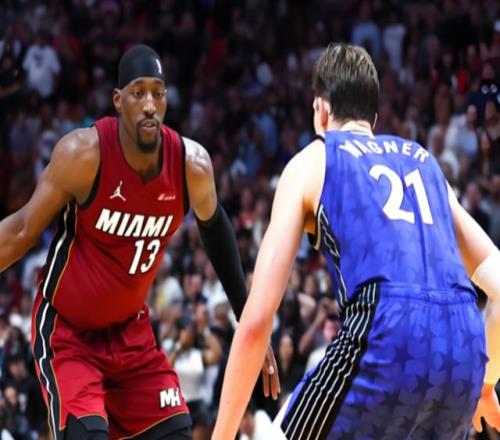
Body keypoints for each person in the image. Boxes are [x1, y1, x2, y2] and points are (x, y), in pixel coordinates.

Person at [213, 43, 500, 439]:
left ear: (321, 110)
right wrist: (484, 381)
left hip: (385, 332)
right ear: (373, 119)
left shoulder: (314, 161)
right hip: (462, 354)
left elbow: (257, 319)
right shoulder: (424, 162)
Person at [0, 44, 279, 439]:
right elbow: (21, 230)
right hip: (69, 334)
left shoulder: (191, 167)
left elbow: (215, 228)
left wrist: (249, 319)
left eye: (157, 93)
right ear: (118, 100)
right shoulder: (84, 154)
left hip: (132, 336)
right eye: (138, 93)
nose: (149, 104)